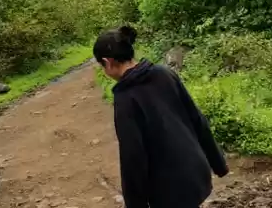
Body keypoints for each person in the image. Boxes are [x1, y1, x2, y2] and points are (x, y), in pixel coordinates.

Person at [94, 25, 229, 208]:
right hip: (196, 171)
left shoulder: (125, 99)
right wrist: (218, 163)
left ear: (107, 62)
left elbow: (133, 158)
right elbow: (197, 119)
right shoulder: (164, 73)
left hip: (169, 188)